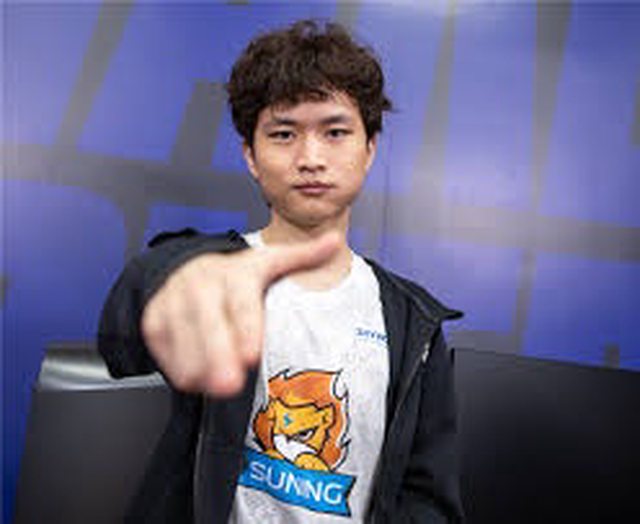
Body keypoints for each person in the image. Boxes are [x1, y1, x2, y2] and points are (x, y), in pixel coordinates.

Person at [98, 19, 464, 523]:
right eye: (284, 134)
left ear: (370, 149)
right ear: (251, 155)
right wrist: (166, 286)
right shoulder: (210, 273)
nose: (310, 158)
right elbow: (129, 323)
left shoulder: (412, 322)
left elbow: (430, 498)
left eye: (335, 132)